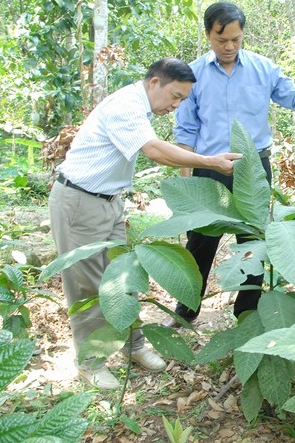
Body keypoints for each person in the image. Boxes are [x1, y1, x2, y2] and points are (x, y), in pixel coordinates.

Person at [49, 57, 241, 390]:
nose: (176, 105)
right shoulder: (126, 105)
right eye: (175, 96)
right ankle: (90, 362)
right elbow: (154, 150)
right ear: (155, 83)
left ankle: (133, 346)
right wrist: (208, 161)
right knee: (90, 286)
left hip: (108, 202)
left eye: (182, 99)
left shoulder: (140, 107)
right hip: (80, 202)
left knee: (124, 278)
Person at [165, 1, 295, 327]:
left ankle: (247, 313)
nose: (229, 47)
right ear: (208, 34)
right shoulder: (193, 75)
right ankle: (186, 311)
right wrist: (186, 186)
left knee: (252, 243)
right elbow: (186, 133)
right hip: (209, 168)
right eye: (221, 40)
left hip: (253, 169)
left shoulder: (263, 69)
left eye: (236, 40)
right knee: (199, 242)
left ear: (243, 35)